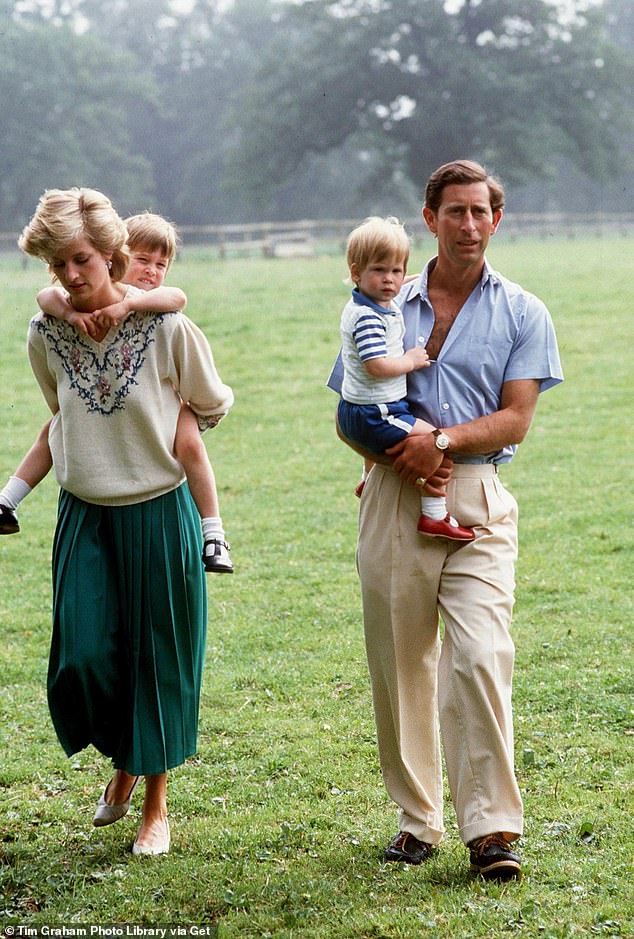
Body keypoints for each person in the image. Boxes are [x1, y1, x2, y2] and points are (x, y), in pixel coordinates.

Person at [329, 160, 563, 880]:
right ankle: (417, 818)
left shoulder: (524, 311)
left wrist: (445, 440)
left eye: (481, 212)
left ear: (498, 219)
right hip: (396, 494)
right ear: (429, 218)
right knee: (400, 664)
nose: (469, 224)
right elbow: (349, 407)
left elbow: (517, 416)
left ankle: (492, 828)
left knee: (483, 653)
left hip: (478, 499)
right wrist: (392, 454)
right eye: (454, 212)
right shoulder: (383, 298)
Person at [17, 186, 234, 856]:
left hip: (157, 512)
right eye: (57, 267)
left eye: (80, 260)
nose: (71, 276)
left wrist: (184, 418)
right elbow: (62, 413)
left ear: (111, 256)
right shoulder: (44, 331)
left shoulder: (166, 327)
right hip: (84, 513)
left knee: (155, 659)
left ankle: (155, 806)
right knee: (82, 657)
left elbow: (212, 399)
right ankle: (124, 761)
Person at [0, 212, 233, 573]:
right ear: (119, 256)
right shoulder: (50, 323)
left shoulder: (161, 313)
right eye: (142, 260)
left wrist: (127, 304)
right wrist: (73, 316)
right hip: (85, 499)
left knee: (188, 441)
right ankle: (8, 500)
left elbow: (178, 297)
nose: (153, 271)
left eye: (161, 264)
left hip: (161, 472)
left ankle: (214, 532)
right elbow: (46, 295)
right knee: (57, 423)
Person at [338, 215, 474, 541]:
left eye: (396, 271)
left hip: (363, 408)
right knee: (438, 443)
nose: (390, 280)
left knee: (408, 442)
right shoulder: (368, 318)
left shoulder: (372, 302)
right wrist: (410, 361)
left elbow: (394, 285)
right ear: (356, 273)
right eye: (379, 271)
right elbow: (376, 365)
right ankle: (434, 515)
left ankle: (367, 479)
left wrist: (413, 280)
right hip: (376, 412)